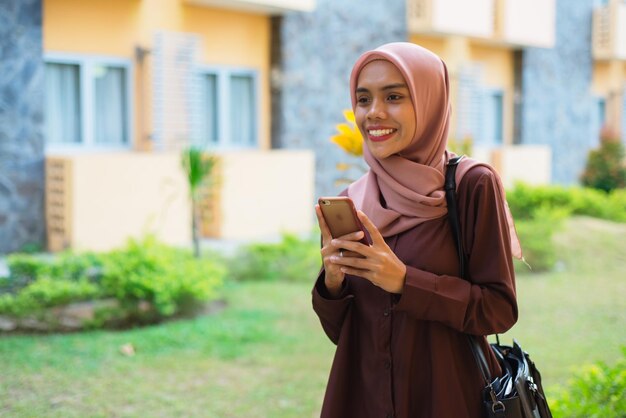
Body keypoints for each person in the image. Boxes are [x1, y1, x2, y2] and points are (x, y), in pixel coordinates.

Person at [312, 42, 520, 418]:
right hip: (363, 397)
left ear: (429, 100)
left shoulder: (472, 184)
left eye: (393, 96)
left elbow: (499, 311)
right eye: (363, 99)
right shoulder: (353, 199)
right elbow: (344, 335)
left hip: (447, 397)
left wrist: (405, 281)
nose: (374, 113)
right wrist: (332, 283)